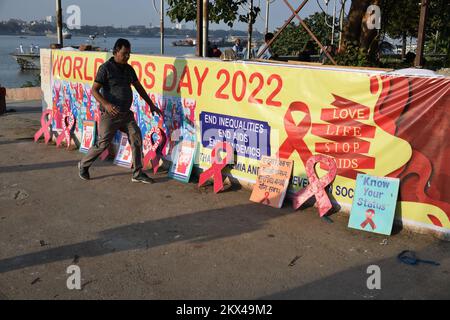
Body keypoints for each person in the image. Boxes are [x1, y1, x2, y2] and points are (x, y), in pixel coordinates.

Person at [78, 38, 162, 184]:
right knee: (103, 143)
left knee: (136, 138)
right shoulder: (105, 68)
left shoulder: (129, 69)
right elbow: (94, 90)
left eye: (129, 53)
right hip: (110, 114)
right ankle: (83, 165)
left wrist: (151, 104)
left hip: (126, 114)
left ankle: (137, 173)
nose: (127, 56)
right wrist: (107, 105)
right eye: (124, 53)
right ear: (116, 52)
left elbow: (139, 88)